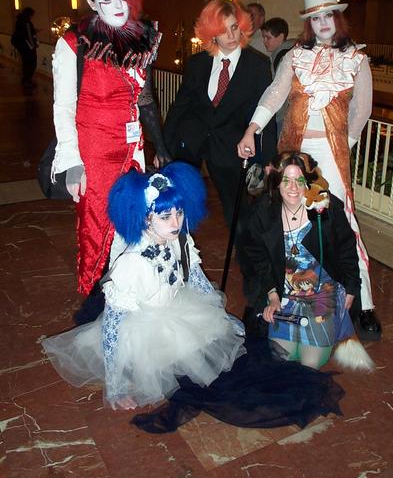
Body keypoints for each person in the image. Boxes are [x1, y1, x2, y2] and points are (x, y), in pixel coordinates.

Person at [237, 0, 381, 341]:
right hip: (294, 153)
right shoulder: (295, 56)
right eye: (316, 18)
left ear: (338, 18)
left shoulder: (357, 60)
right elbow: (275, 94)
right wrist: (252, 129)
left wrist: (341, 149)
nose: (323, 22)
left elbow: (361, 112)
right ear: (309, 23)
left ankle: (364, 303)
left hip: (331, 156)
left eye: (328, 15)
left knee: (342, 222)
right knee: (286, 221)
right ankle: (278, 292)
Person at [42, 162, 245, 410]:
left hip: (178, 310)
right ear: (146, 219)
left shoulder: (179, 238)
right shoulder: (132, 263)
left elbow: (197, 279)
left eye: (179, 212)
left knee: (219, 359)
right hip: (141, 329)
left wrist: (221, 317)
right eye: (165, 216)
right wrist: (115, 386)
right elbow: (112, 327)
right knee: (186, 381)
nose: (176, 222)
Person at [51, 0, 170, 297]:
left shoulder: (141, 38)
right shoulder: (74, 42)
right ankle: (96, 300)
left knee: (134, 222)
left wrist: (160, 146)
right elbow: (63, 107)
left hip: (133, 150)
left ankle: (128, 294)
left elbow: (145, 98)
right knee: (96, 227)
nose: (119, 5)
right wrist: (72, 161)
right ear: (92, 4)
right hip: (94, 152)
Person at [241, 152, 374, 370]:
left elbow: (347, 248)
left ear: (308, 182)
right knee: (280, 356)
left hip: (322, 293)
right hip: (284, 293)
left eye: (299, 180)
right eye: (286, 180)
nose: (293, 187)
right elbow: (257, 257)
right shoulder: (263, 211)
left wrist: (351, 287)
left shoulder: (325, 208)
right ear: (277, 182)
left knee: (309, 362)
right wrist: (272, 295)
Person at [164, 0, 276, 230]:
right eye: (223, 30)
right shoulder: (197, 63)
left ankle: (246, 251)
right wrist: (164, 146)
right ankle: (180, 246)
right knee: (178, 204)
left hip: (231, 148)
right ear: (211, 33)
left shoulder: (257, 65)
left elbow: (267, 113)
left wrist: (269, 160)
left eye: (234, 27)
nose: (231, 35)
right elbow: (180, 106)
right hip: (192, 143)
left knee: (237, 214)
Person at [261, 17, 295, 136]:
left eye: (268, 37)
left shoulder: (282, 57)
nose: (264, 41)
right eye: (263, 37)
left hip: (285, 114)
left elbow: (279, 89)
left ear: (280, 37)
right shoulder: (293, 50)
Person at [12, 7, 38, 88]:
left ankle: (26, 80)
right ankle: (26, 80)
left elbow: (24, 33)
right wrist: (33, 45)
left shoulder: (19, 20)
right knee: (31, 63)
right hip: (27, 46)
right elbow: (28, 36)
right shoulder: (26, 22)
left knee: (26, 63)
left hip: (22, 45)